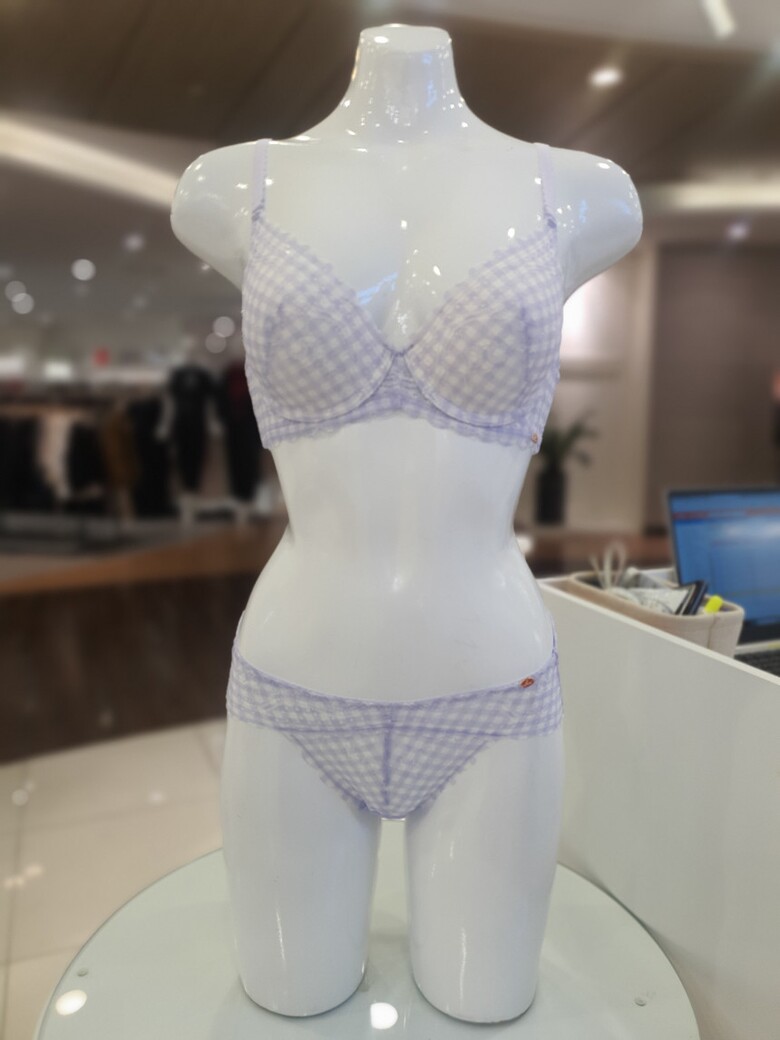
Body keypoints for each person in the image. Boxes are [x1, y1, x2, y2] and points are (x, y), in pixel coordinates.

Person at [171, 23, 641, 1022]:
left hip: (493, 685)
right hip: (297, 677)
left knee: (488, 1005)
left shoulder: (576, 191)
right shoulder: (237, 185)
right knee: (288, 1001)